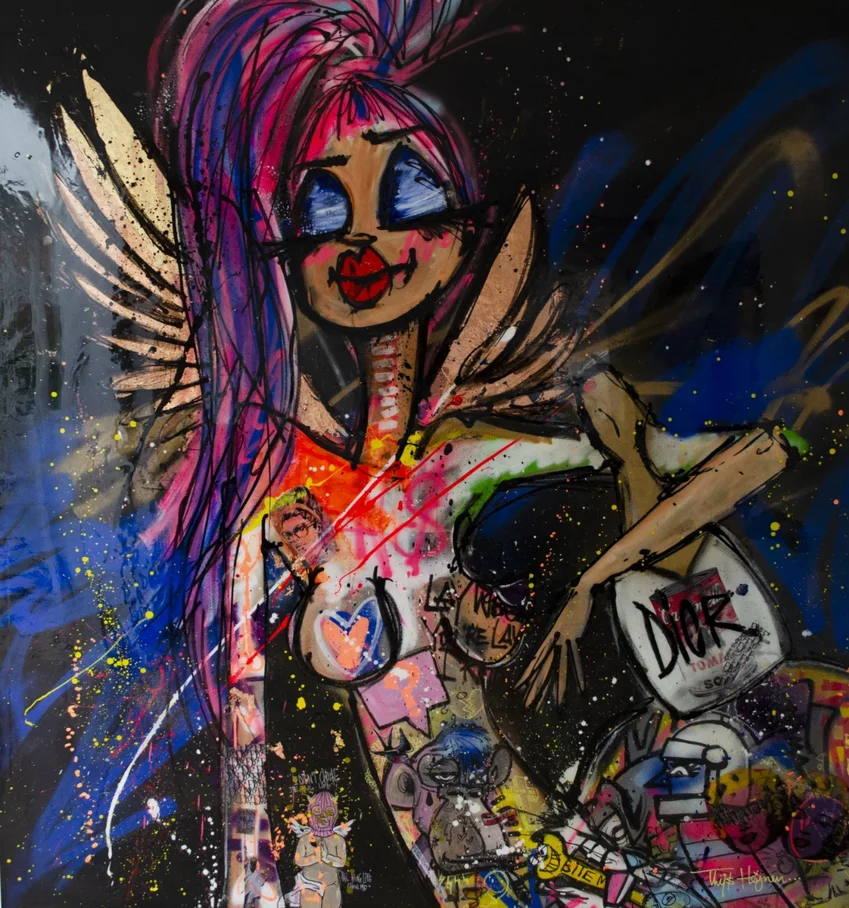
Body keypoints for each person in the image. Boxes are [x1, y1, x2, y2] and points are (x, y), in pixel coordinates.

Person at [141, 1, 795, 904]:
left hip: (578, 829)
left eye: (407, 193)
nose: (363, 238)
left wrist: (607, 542)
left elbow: (760, 455)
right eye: (323, 203)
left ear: (461, 225)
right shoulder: (282, 478)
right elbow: (275, 700)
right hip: (440, 847)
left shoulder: (487, 449)